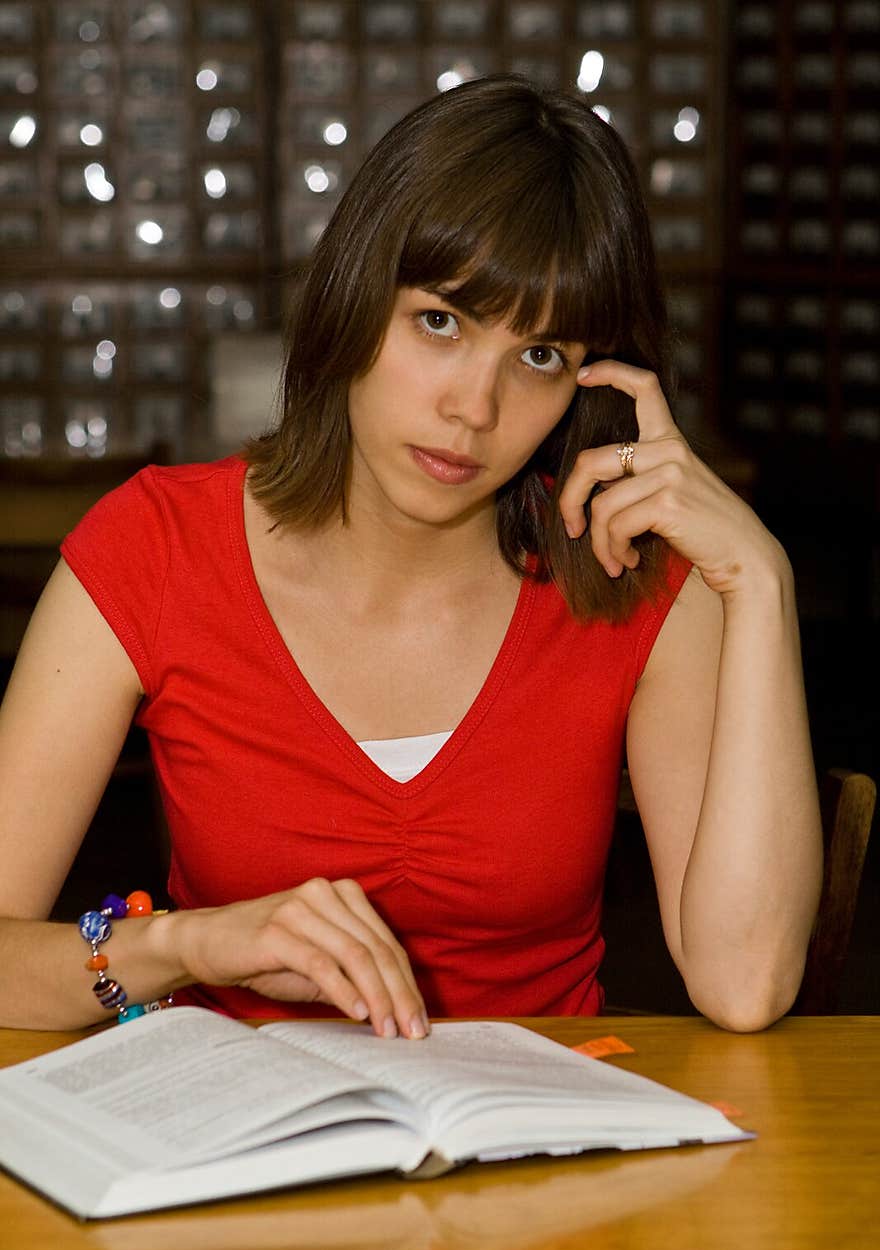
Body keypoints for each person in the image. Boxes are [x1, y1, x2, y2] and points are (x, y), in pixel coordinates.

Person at [0, 74, 822, 1038]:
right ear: (355, 298)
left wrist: (760, 584)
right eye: (441, 322)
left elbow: (746, 985)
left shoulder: (632, 582)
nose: (475, 410)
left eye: (541, 357)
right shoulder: (154, 550)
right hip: (243, 1157)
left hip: (549, 1161)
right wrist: (187, 945)